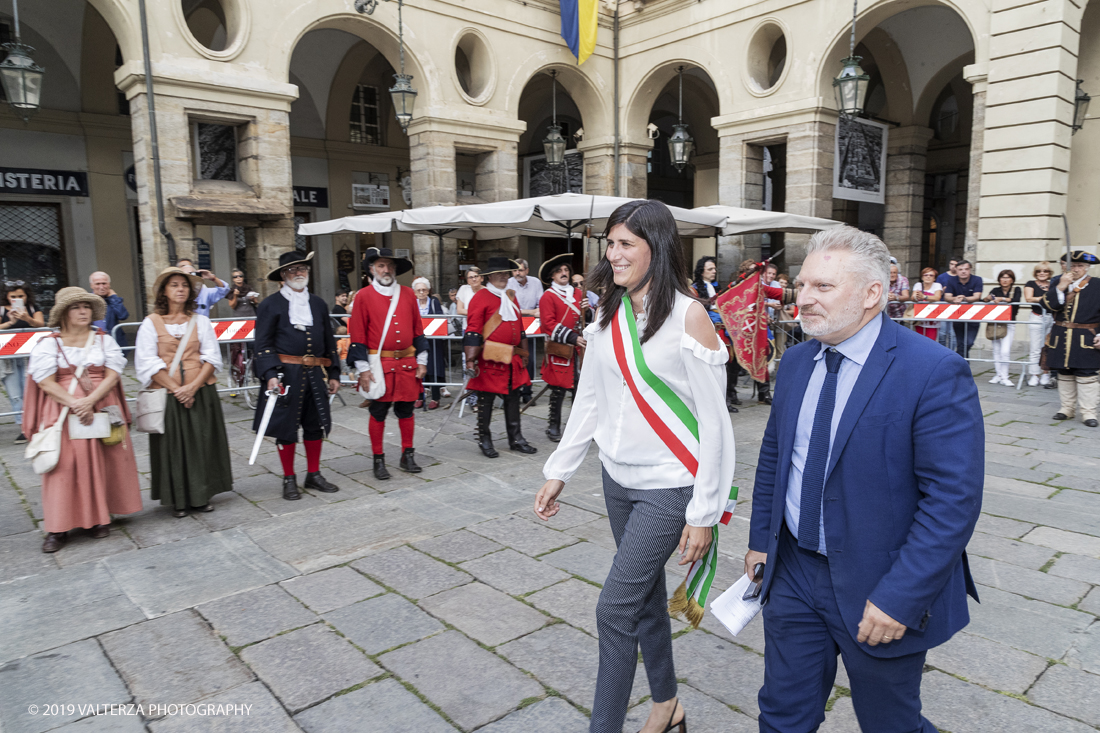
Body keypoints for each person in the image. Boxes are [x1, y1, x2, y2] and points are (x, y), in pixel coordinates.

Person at [743, 225, 983, 733]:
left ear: (873, 294)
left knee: (890, 724)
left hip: (880, 584)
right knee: (782, 715)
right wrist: (761, 540)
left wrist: (901, 596)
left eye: (822, 288)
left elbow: (952, 502)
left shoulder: (933, 371)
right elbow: (776, 456)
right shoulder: (797, 363)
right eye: (801, 285)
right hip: (792, 574)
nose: (802, 299)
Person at [535, 200, 735, 733]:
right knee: (643, 600)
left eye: (626, 243)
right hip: (616, 478)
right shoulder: (608, 309)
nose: (613, 253)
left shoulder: (691, 315)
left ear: (658, 247)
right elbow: (592, 397)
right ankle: (667, 707)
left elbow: (715, 424)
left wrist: (705, 511)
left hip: (670, 487)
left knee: (613, 611)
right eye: (611, 242)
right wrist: (561, 467)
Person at [24, 287, 142, 552]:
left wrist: (90, 401)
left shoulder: (102, 339)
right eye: (76, 307)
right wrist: (76, 403)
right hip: (62, 412)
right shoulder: (49, 344)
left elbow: (112, 373)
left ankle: (98, 519)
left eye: (86, 307)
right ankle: (58, 527)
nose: (82, 312)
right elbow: (44, 381)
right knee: (63, 467)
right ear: (64, 313)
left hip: (101, 405)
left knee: (103, 461)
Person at [136, 267, 234, 516]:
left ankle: (202, 495)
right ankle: (178, 498)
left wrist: (192, 387)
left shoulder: (200, 321)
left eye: (184, 285)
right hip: (167, 393)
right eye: (174, 285)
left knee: (202, 443)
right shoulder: (151, 323)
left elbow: (212, 357)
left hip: (200, 391)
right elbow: (147, 361)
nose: (180, 289)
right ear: (164, 292)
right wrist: (178, 390)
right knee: (173, 446)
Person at [252, 251, 342, 499]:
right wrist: (269, 373)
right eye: (292, 270)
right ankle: (289, 478)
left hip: (314, 373)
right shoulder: (270, 305)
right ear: (283, 275)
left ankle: (313, 474)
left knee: (315, 426)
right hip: (285, 376)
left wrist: (334, 372)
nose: (298, 273)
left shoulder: (318, 304)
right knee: (286, 428)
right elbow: (262, 344)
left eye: (302, 268)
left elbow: (328, 341)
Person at [348, 249, 429, 480]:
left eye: (390, 265)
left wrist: (421, 360)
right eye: (381, 266)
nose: (386, 270)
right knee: (378, 411)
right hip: (379, 364)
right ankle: (378, 459)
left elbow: (417, 330)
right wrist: (363, 369)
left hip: (406, 361)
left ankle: (407, 455)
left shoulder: (407, 294)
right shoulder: (363, 296)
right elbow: (358, 335)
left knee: (406, 411)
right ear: (372, 269)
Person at [463, 257, 537, 457]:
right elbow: (473, 330)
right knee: (486, 401)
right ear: (490, 276)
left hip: (511, 358)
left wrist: (525, 352)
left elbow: (520, 328)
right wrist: (470, 359)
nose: (504, 277)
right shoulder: (480, 297)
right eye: (500, 273)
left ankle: (516, 438)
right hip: (490, 358)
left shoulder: (511, 296)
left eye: (506, 273)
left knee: (513, 399)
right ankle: (485, 439)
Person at [1041, 250, 1100, 427]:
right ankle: (1067, 409)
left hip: (1086, 337)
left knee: (1087, 375)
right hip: (1060, 336)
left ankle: (1089, 412)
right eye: (1072, 265)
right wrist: (1060, 287)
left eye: (1079, 266)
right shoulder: (1060, 283)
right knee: (1064, 374)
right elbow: (1047, 305)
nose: (1075, 269)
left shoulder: (1097, 285)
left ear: (1087, 268)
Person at [537, 253, 587, 442]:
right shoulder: (547, 297)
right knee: (557, 390)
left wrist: (587, 311)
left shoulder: (578, 293)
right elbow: (548, 324)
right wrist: (573, 337)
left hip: (578, 350)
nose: (564, 273)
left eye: (566, 270)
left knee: (579, 390)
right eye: (559, 271)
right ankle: (553, 427)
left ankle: (577, 429)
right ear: (552, 275)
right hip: (560, 348)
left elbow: (584, 320)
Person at [0, 282, 45, 444]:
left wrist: (27, 318)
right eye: (13, 297)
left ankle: (37, 423)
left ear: (26, 296)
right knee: (15, 394)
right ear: (7, 297)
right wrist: (10, 323)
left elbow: (42, 324)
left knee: (32, 389)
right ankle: (24, 428)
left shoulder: (33, 308)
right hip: (7, 358)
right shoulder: (1, 309)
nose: (17, 299)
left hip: (31, 355)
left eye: (21, 296)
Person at [506, 258, 544, 403]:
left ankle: (527, 392)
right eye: (515, 270)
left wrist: (532, 312)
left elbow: (540, 306)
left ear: (527, 270)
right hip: (513, 326)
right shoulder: (509, 284)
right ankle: (514, 389)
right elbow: (510, 307)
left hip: (530, 326)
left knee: (530, 358)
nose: (517, 273)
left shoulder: (535, 282)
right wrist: (531, 311)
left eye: (520, 270)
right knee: (514, 358)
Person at [411, 277, 447, 410]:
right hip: (418, 341)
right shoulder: (412, 303)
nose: (421, 292)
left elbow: (439, 319)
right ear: (414, 292)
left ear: (428, 291)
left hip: (433, 341)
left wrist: (424, 327)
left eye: (423, 290)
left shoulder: (434, 302)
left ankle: (435, 397)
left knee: (434, 368)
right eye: (418, 290)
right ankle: (419, 396)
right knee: (418, 368)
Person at [984, 269, 1022, 386]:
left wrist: (1002, 299)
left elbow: (1016, 301)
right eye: (1002, 277)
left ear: (1012, 280)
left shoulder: (1016, 289)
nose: (1004, 280)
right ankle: (998, 374)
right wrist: (988, 298)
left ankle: (1005, 376)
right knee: (996, 350)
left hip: (1009, 322)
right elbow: (985, 300)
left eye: (1007, 278)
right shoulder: (995, 290)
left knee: (1005, 351)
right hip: (996, 322)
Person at [943, 259, 984, 358]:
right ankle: (964, 367)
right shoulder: (952, 280)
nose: (963, 271)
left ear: (970, 270)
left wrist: (964, 298)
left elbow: (977, 296)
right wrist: (955, 299)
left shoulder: (977, 279)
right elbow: (947, 297)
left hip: (973, 315)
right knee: (960, 343)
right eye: (960, 269)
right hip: (958, 315)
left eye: (966, 269)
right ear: (956, 270)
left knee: (968, 342)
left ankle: (958, 361)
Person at [227, 269, 258, 395]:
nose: (239, 278)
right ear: (233, 279)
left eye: (241, 275)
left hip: (251, 320)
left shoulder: (249, 288)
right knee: (237, 349)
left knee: (252, 349)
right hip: (239, 323)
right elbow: (232, 306)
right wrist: (235, 295)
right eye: (236, 276)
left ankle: (253, 372)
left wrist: (253, 298)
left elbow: (255, 303)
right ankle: (236, 377)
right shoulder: (231, 290)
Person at [1024, 262, 1055, 388]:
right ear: (1035, 273)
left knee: (1048, 347)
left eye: (1045, 271)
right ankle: (1034, 374)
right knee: (1036, 348)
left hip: (1051, 318)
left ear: (1049, 273)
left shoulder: (1053, 284)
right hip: (1037, 317)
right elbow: (1029, 298)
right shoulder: (1031, 283)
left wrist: (1043, 297)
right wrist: (1046, 297)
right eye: (1039, 271)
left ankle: (1045, 373)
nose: (1042, 273)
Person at [89, 272, 130, 348]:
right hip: (94, 343)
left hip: (114, 342)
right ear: (92, 285)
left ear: (109, 285)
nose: (101, 287)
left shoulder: (113, 300)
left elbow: (123, 315)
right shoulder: (87, 301)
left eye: (104, 283)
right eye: (97, 284)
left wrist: (113, 297)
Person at [911, 267, 943, 339]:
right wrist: (916, 297)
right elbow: (913, 297)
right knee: (919, 340)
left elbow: (937, 297)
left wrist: (924, 297)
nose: (928, 277)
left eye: (931, 275)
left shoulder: (937, 285)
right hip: (920, 318)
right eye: (926, 275)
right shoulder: (918, 285)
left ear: (934, 278)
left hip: (932, 319)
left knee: (931, 340)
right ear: (922, 277)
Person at [935, 258, 959, 351]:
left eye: (955, 264)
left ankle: (952, 352)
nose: (953, 266)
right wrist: (944, 290)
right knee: (942, 333)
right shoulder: (941, 277)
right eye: (951, 264)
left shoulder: (960, 278)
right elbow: (936, 292)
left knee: (952, 334)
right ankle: (943, 351)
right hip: (943, 307)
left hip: (956, 308)